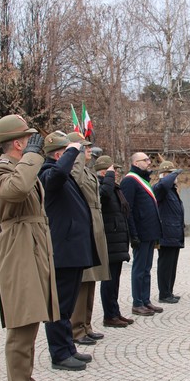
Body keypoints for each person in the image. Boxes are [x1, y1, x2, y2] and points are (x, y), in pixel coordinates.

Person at [0, 113, 60, 381]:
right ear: (17, 143)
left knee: (31, 321)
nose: (33, 143)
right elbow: (16, 190)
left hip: (31, 246)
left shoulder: (19, 167)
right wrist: (32, 156)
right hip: (18, 249)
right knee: (21, 325)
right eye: (28, 139)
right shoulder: (3, 170)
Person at [39, 131, 97, 371]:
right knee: (59, 306)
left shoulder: (62, 174)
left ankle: (68, 347)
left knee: (68, 304)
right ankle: (59, 354)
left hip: (72, 250)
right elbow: (58, 174)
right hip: (62, 251)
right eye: (69, 152)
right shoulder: (46, 173)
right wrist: (72, 150)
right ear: (59, 155)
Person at [70, 133, 109, 346]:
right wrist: (75, 154)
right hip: (85, 224)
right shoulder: (74, 169)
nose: (88, 151)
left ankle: (86, 324)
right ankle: (76, 328)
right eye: (83, 147)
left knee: (92, 277)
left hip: (95, 223)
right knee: (83, 279)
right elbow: (75, 181)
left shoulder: (87, 170)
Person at [120, 152, 164, 316]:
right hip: (141, 232)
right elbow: (128, 210)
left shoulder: (143, 180)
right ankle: (137, 303)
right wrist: (134, 234)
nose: (149, 162)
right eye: (145, 160)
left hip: (150, 232)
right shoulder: (130, 181)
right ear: (136, 163)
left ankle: (145, 300)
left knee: (146, 269)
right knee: (139, 269)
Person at [96, 155, 135, 326]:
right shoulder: (101, 186)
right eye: (114, 170)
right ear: (104, 172)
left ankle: (115, 312)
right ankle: (109, 315)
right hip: (110, 241)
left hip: (117, 240)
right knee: (109, 281)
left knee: (115, 280)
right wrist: (109, 178)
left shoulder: (114, 188)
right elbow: (103, 196)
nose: (117, 173)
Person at [153, 160, 184, 304]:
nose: (175, 177)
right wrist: (174, 173)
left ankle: (169, 291)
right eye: (171, 174)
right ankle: (164, 294)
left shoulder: (171, 190)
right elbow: (163, 184)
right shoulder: (161, 188)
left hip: (175, 233)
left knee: (172, 265)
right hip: (166, 233)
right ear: (165, 175)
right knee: (165, 265)